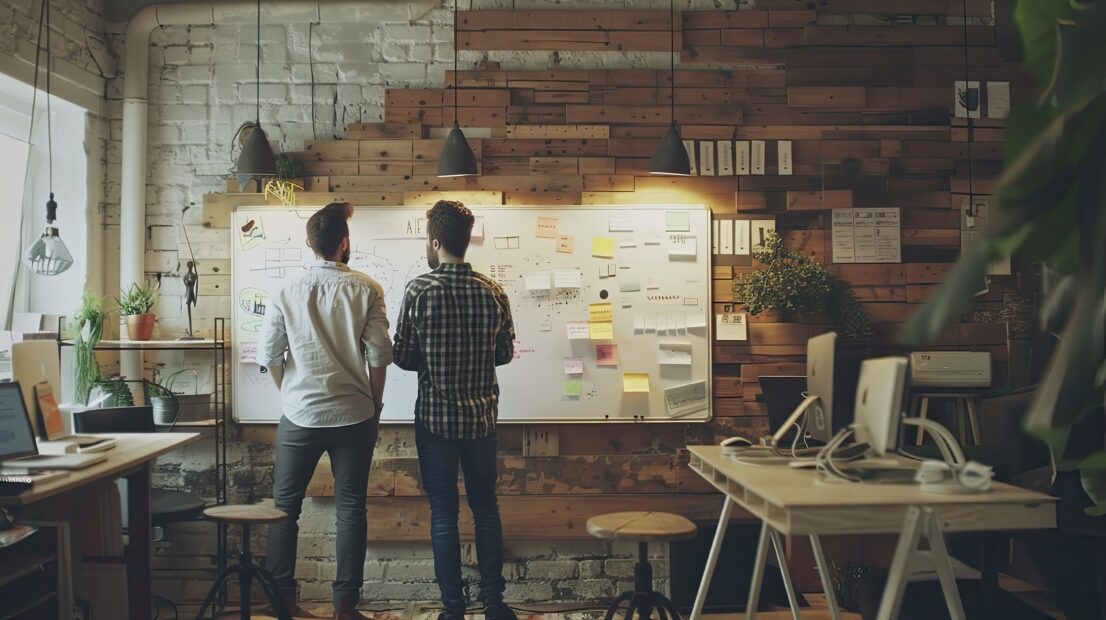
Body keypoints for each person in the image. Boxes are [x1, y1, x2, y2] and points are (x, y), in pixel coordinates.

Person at [259, 202, 391, 620]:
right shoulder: (367, 288)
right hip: (355, 415)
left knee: (284, 508)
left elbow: (270, 354)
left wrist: (289, 395)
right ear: (345, 243)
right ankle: (345, 606)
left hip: (299, 414)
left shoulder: (285, 291)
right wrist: (375, 405)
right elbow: (380, 354)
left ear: (310, 244)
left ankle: (282, 602)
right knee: (351, 508)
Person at [393, 200, 517, 620]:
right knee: (486, 508)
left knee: (443, 512)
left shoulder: (418, 290)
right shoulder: (493, 290)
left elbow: (405, 357)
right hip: (482, 419)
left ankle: (452, 609)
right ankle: (494, 603)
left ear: (435, 241)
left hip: (436, 422)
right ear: (465, 241)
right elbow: (504, 354)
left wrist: (433, 359)